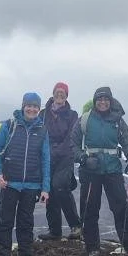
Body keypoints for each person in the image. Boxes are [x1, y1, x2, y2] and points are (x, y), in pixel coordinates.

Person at [77, 85, 128, 256]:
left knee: (121, 206)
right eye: (100, 99)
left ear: (110, 101)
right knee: (90, 209)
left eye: (106, 99)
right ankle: (92, 248)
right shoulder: (85, 120)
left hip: (112, 169)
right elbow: (72, 144)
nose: (103, 102)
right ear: (95, 101)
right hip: (90, 170)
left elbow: (126, 140)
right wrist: (83, 158)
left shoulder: (118, 120)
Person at [0, 92, 52, 256]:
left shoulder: (42, 130)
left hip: (32, 185)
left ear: (39, 109)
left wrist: (45, 188)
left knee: (26, 222)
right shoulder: (9, 126)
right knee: (6, 221)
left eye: (35, 107)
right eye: (29, 106)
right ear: (23, 106)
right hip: (9, 182)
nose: (32, 109)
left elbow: (46, 159)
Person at [38, 82, 83, 243]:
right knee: (49, 189)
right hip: (47, 157)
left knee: (60, 186)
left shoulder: (72, 115)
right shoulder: (43, 114)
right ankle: (55, 230)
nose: (60, 95)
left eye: (63, 93)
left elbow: (71, 137)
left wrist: (55, 152)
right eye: (57, 92)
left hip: (65, 156)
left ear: (66, 96)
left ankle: (76, 226)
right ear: (53, 93)